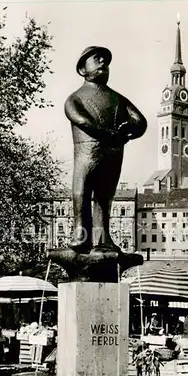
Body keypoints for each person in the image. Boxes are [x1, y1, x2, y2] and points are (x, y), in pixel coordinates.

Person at [64, 46, 147, 252]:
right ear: (83, 69)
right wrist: (109, 134)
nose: (103, 62)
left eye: (106, 61)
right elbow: (80, 119)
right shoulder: (76, 97)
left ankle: (102, 238)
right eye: (97, 58)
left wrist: (131, 130)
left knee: (104, 197)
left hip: (112, 155)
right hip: (87, 154)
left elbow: (140, 122)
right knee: (81, 192)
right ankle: (81, 234)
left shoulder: (117, 98)